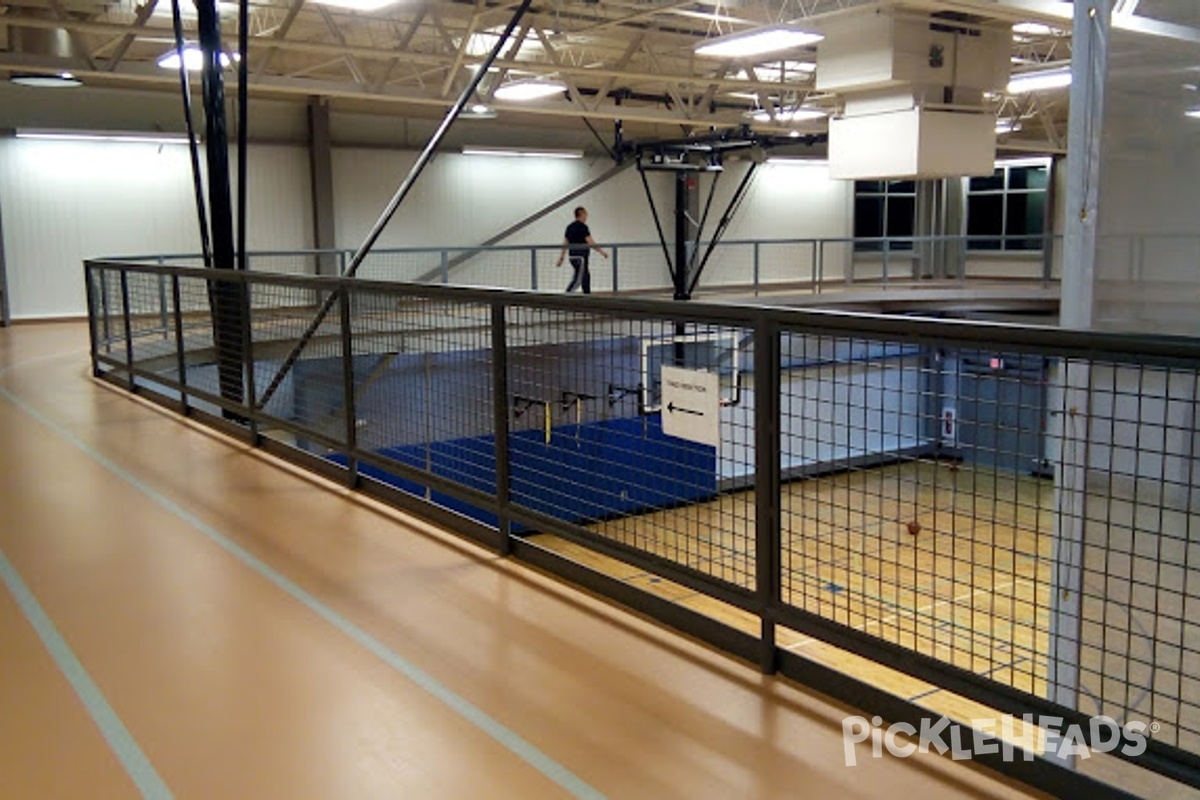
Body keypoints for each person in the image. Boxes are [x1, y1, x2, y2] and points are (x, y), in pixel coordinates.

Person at [556, 206, 608, 294]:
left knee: (585, 276)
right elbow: (591, 242)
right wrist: (602, 252)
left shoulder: (569, 227)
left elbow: (565, 243)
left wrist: (561, 257)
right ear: (581, 214)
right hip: (581, 258)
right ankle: (566, 297)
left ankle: (587, 297)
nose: (586, 216)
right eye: (585, 214)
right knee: (578, 279)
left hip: (572, 257)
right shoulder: (583, 227)